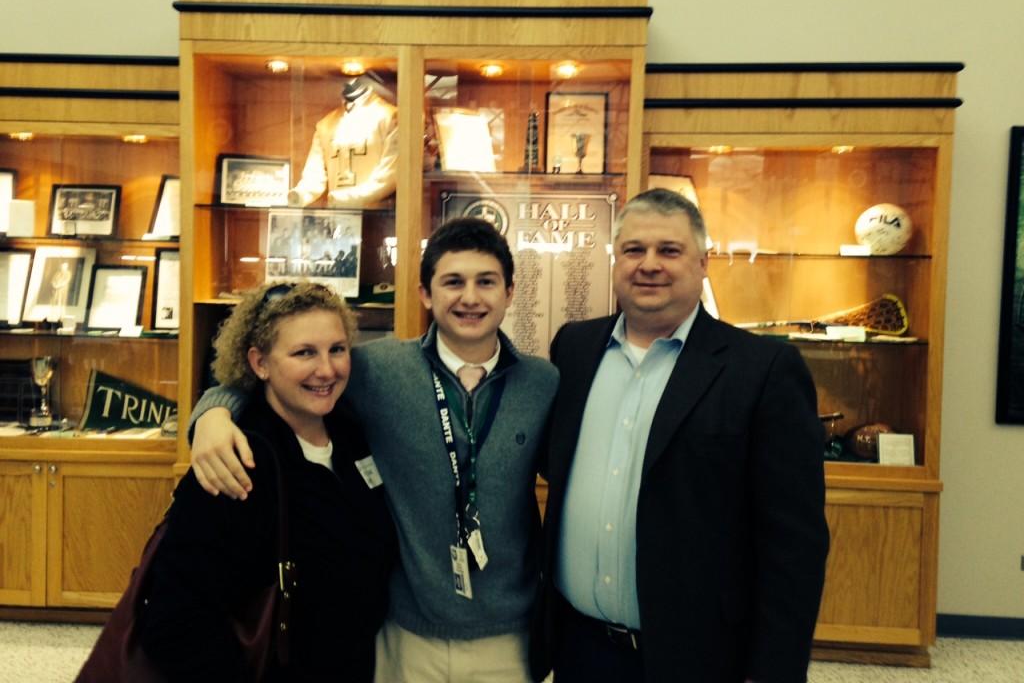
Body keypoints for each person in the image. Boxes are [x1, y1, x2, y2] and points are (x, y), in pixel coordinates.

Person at [188, 217, 559, 683]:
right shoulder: (377, 370)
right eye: (452, 282)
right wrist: (212, 414)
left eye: (486, 282)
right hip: (404, 632)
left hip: (509, 636)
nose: (470, 297)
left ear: (509, 292)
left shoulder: (543, 383)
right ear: (425, 294)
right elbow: (282, 374)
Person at [529, 188, 829, 683]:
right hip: (579, 647)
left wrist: (775, 668)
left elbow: (794, 542)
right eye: (634, 250)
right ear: (615, 259)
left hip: (697, 655)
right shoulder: (575, 348)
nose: (649, 265)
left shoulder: (763, 370)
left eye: (669, 250)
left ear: (703, 262)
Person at [134, 282, 396, 680]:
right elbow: (175, 622)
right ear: (259, 363)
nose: (326, 369)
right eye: (304, 352)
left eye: (337, 349)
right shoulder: (235, 461)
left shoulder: (352, 436)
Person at [288, 78, 399, 208]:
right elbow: (314, 173)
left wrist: (348, 198)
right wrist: (301, 194)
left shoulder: (390, 116)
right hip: (338, 214)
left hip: (377, 212)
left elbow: (390, 174)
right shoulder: (326, 124)